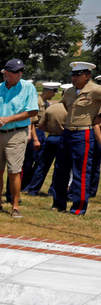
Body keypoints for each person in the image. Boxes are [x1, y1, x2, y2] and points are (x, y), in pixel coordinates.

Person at [0, 58, 39, 218]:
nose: (19, 74)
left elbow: (32, 111)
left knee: (14, 171)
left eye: (21, 70)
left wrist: (9, 119)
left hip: (16, 133)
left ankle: (15, 206)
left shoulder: (28, 87)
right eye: (16, 71)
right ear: (6, 73)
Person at [52, 62, 101, 215]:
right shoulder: (69, 92)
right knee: (60, 169)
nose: (74, 78)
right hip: (67, 132)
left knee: (81, 171)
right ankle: (59, 203)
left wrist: (99, 118)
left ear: (87, 76)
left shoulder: (95, 90)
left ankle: (78, 207)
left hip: (83, 133)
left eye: (77, 75)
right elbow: (68, 107)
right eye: (73, 75)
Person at [25, 92, 65, 196]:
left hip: (51, 137)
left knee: (42, 165)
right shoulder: (70, 109)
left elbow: (41, 125)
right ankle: (53, 190)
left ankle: (33, 189)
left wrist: (50, 129)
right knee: (60, 166)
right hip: (63, 137)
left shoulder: (51, 108)